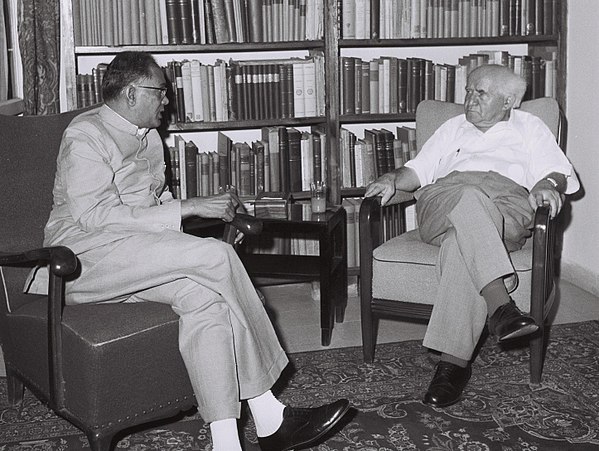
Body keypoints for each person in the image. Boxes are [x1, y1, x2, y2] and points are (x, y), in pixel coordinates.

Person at [41, 51, 349, 451]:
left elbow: (157, 202)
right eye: (160, 92)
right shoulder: (84, 136)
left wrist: (195, 214)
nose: (166, 101)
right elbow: (95, 217)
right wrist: (190, 211)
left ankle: (231, 441)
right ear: (132, 93)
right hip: (81, 262)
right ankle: (272, 405)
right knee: (216, 258)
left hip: (134, 254)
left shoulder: (149, 135)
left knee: (207, 297)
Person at [365, 64, 579, 408]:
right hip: (445, 198)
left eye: (480, 92)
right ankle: (500, 306)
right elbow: (419, 170)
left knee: (459, 242)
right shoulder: (452, 128)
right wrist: (393, 178)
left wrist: (545, 184)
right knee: (468, 200)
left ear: (508, 101)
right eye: (468, 91)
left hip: (506, 205)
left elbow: (557, 172)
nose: (469, 99)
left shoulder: (530, 127)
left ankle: (453, 364)